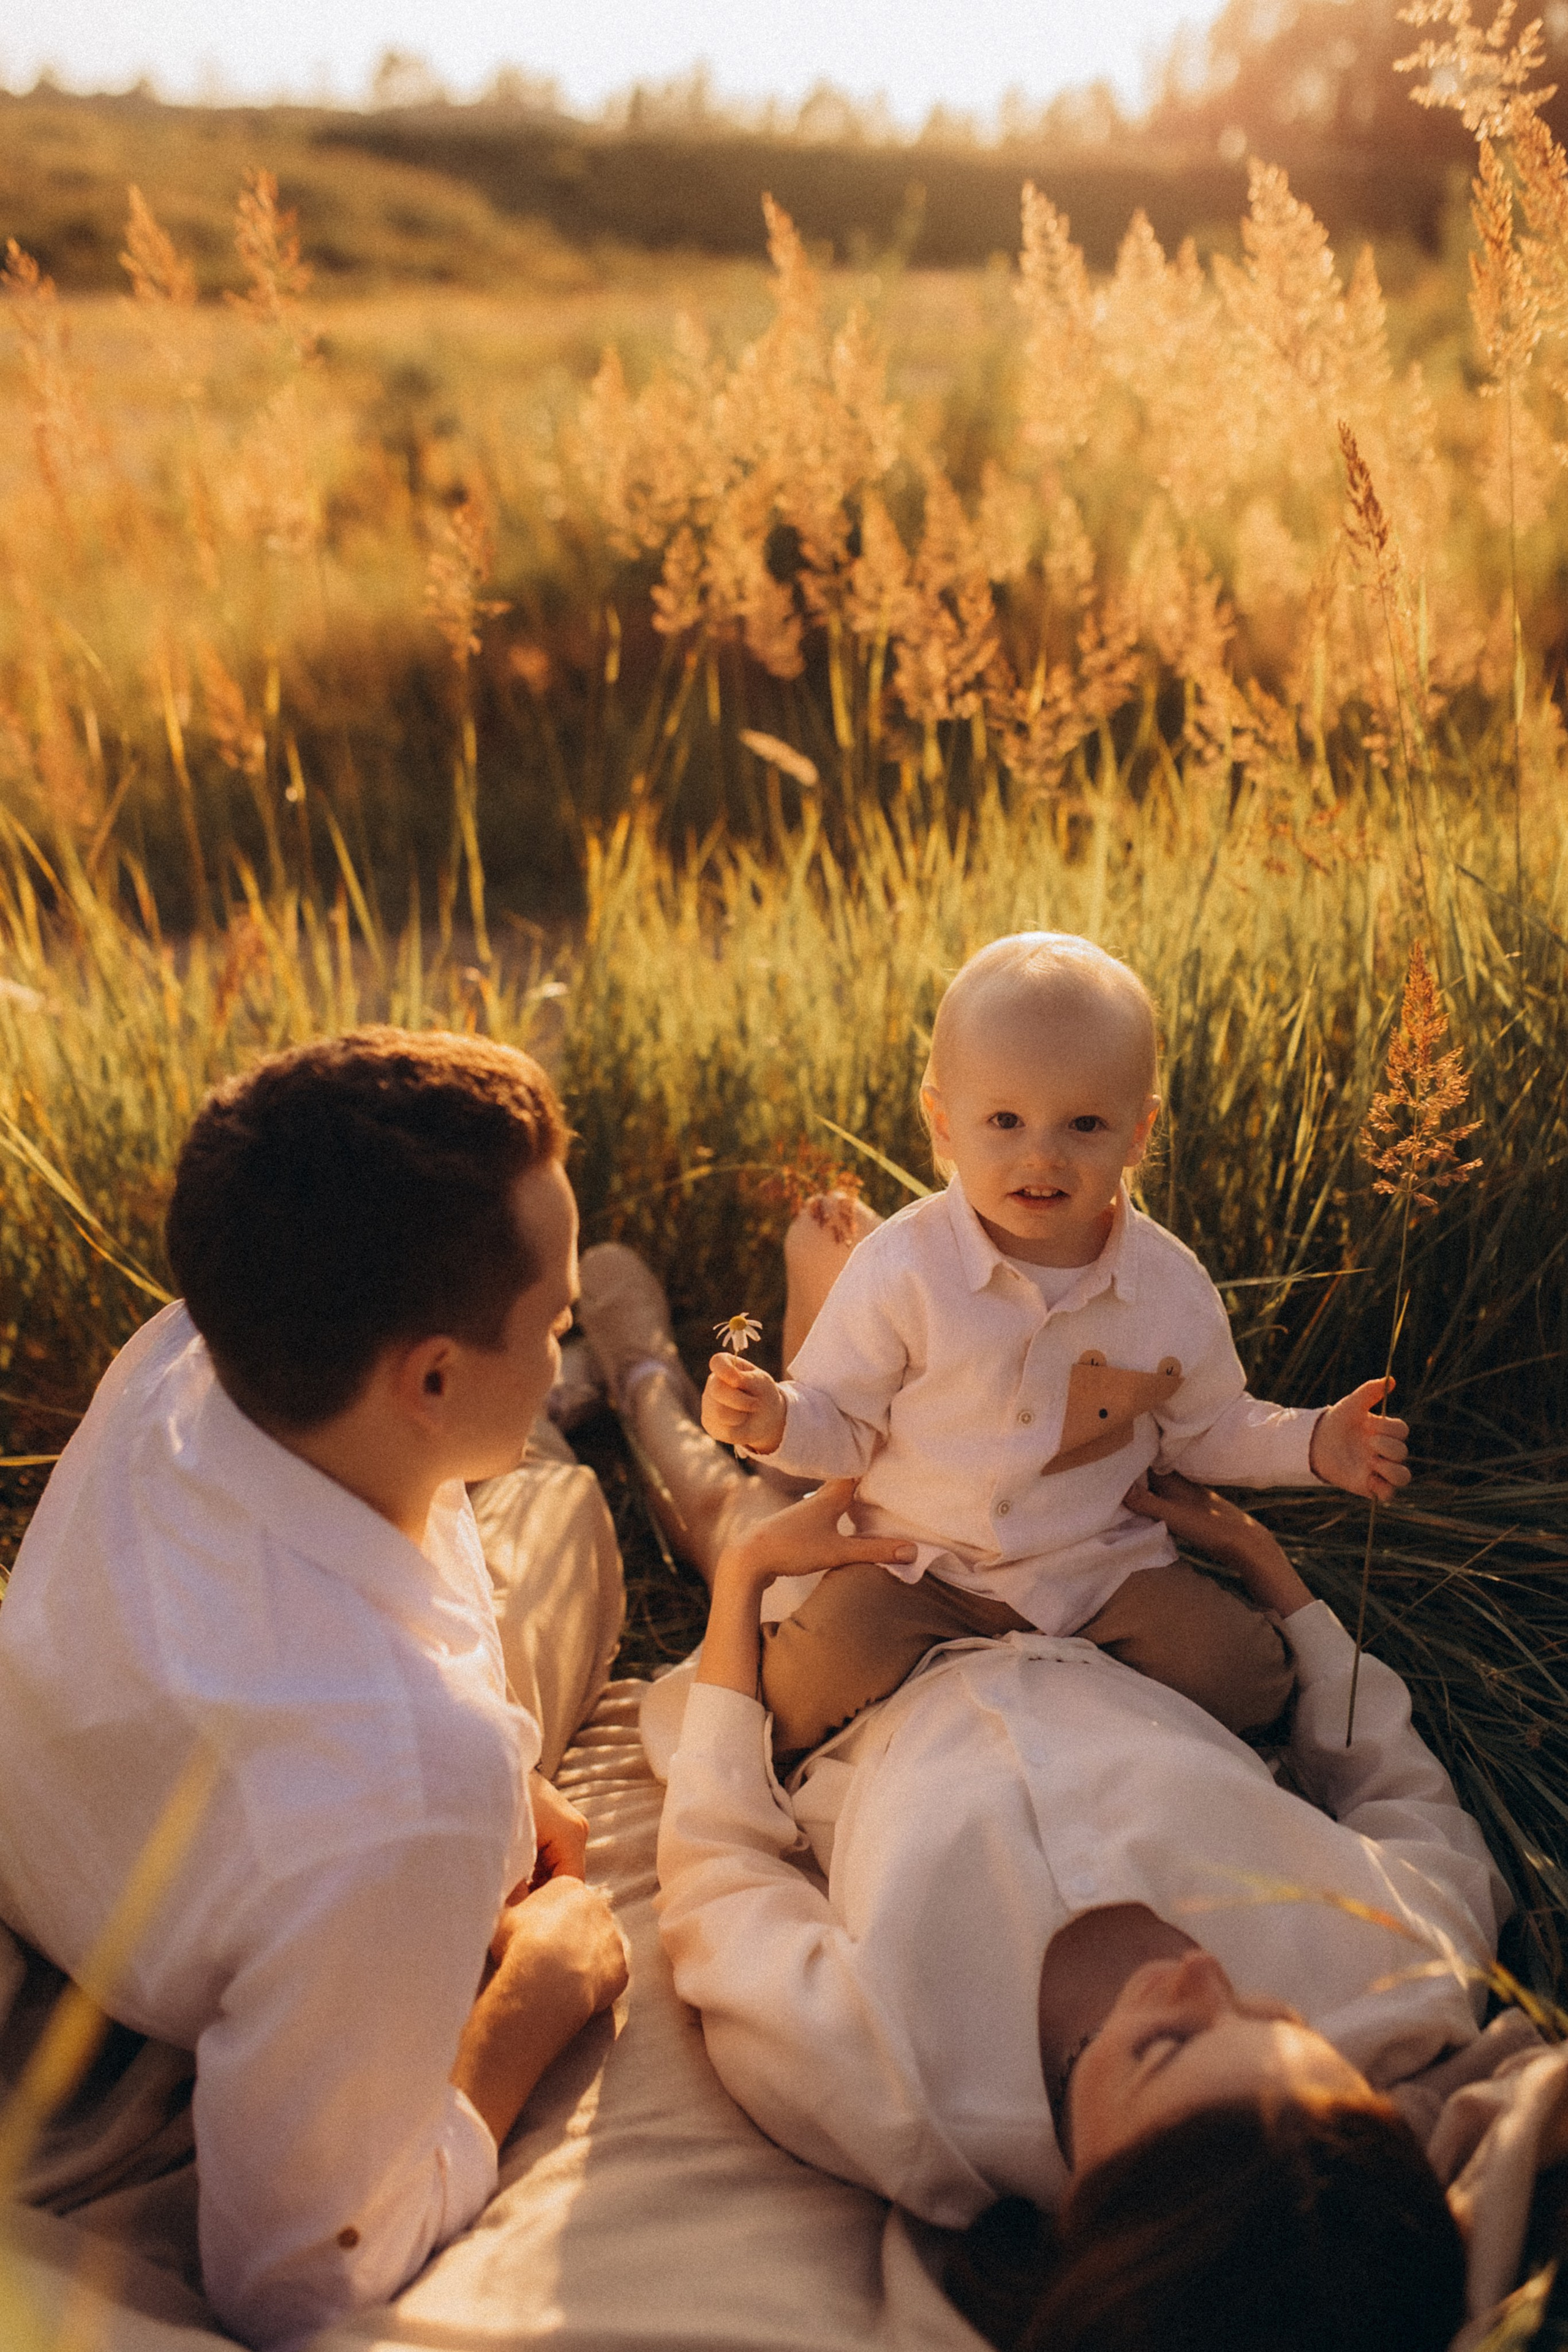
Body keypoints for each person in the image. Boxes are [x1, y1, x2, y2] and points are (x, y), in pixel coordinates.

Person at [571, 1223, 1509, 2351]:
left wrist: (745, 1592)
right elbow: (1403, 1797)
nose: (1202, 1976)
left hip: (871, 1678)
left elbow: (720, 1872)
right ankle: (859, 1344)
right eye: (1269, 2012)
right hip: (1110, 1615)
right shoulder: (1399, 1981)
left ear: (1086, 2217)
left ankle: (642, 1378)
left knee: (727, 1508)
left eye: (1164, 2047)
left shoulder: (892, 2097)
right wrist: (1274, 1578)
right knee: (957, 1434)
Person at [0, 1030, 628, 2349]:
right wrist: (533, 1999)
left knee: (551, 1507)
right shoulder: (400, 1793)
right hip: (147, 1997)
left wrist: (496, 1774)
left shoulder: (189, 1345)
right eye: (556, 1320)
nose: (555, 1316)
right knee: (564, 1515)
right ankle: (621, 1397)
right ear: (434, 1376)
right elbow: (295, 2284)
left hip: (83, 1825)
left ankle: (572, 1426)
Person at [698, 932, 1411, 1763]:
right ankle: (813, 1269)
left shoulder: (1168, 1286)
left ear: (1138, 1133)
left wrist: (1316, 1442)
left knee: (1246, 1678)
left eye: (1084, 1124)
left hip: (1098, 1568)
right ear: (943, 1123)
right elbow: (845, 1416)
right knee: (806, 1687)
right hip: (920, 1562)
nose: (1042, 1153)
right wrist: (777, 1417)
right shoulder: (903, 1268)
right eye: (1004, 1120)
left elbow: (1206, 1427)